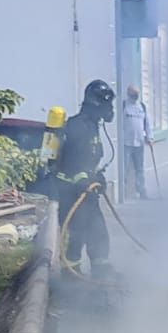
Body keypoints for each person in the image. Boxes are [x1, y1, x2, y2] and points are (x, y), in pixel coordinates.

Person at [54, 79, 116, 278]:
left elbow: (88, 160)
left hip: (86, 194)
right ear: (96, 104)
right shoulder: (77, 127)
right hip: (70, 195)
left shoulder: (92, 126)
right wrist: (83, 179)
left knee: (98, 233)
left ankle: (101, 271)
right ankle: (70, 277)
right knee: (77, 236)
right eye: (107, 104)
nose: (110, 110)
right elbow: (71, 164)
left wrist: (97, 176)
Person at [121, 86, 151, 199]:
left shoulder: (141, 106)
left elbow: (146, 123)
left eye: (136, 93)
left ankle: (142, 190)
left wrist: (150, 137)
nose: (135, 96)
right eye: (133, 93)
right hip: (126, 143)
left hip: (140, 142)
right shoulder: (124, 106)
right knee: (124, 168)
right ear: (128, 94)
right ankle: (123, 192)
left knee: (140, 169)